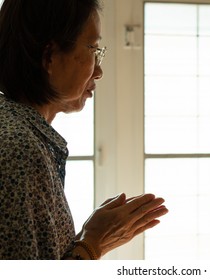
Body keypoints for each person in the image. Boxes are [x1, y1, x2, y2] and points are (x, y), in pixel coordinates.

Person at [0, 0, 168, 260]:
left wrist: (89, 240)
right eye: (93, 50)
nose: (98, 71)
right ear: (50, 56)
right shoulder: (19, 147)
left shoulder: (23, 134)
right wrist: (93, 243)